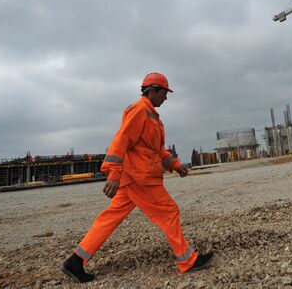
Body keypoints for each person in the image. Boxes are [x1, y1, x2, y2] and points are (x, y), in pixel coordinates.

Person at [62, 72, 214, 283]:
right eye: (164, 93)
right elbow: (122, 140)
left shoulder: (153, 117)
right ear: (153, 90)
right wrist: (114, 172)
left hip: (135, 179)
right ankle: (188, 261)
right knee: (169, 212)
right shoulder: (140, 110)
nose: (166, 98)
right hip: (140, 178)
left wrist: (175, 165)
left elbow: (157, 149)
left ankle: (75, 261)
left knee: (109, 219)